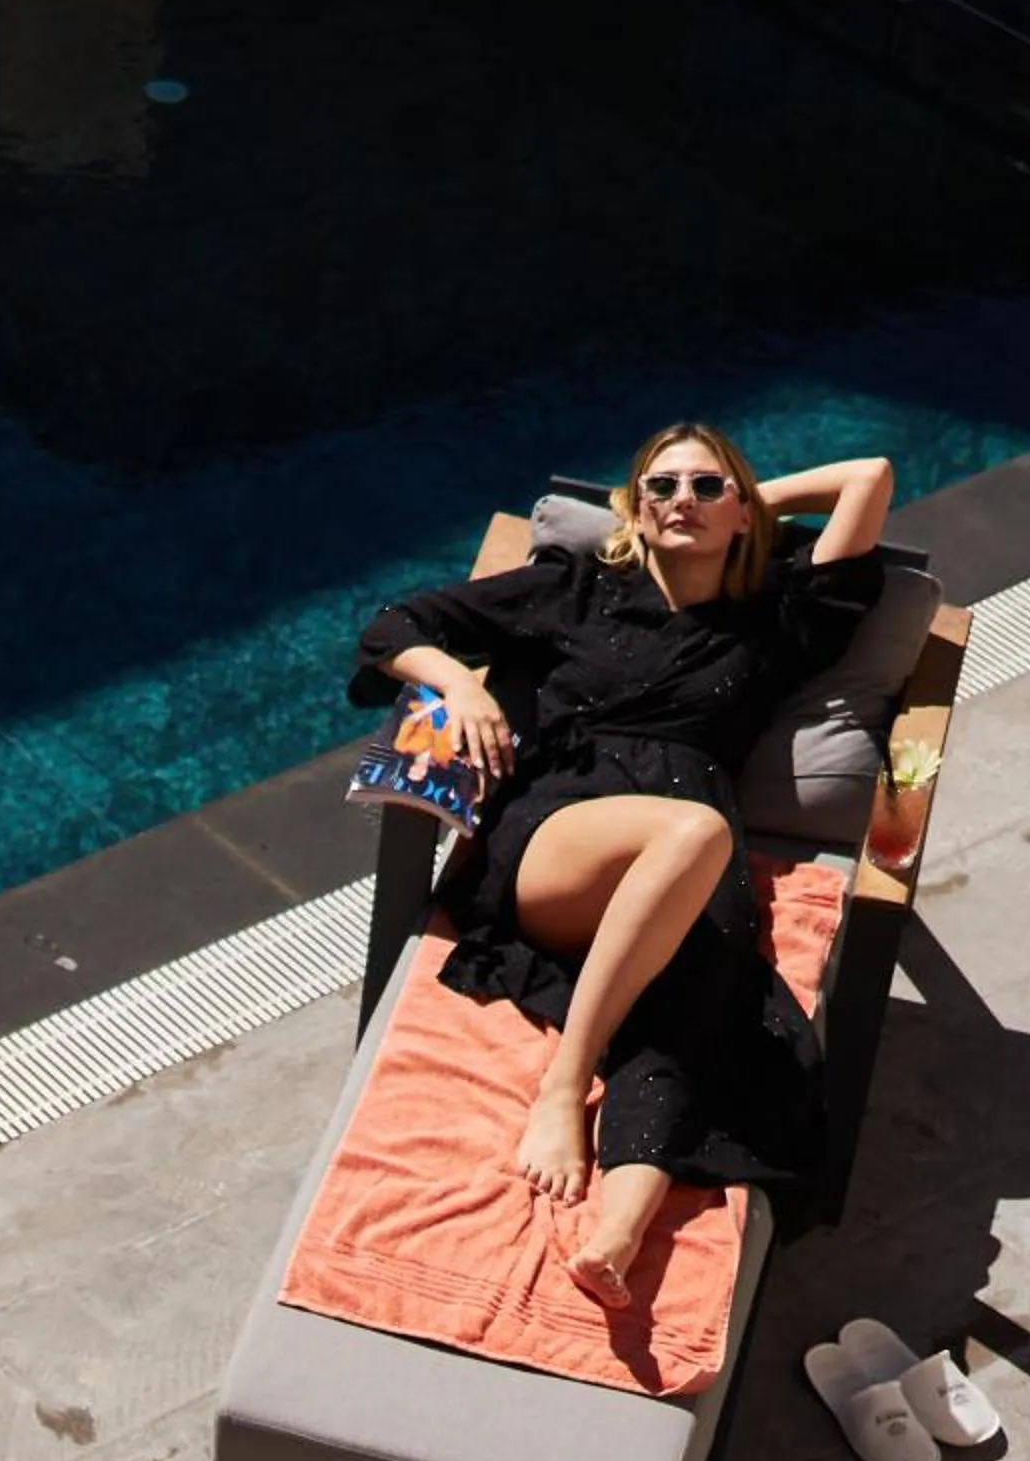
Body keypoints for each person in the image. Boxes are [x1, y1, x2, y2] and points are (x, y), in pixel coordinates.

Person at [352, 425, 894, 1309]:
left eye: (706, 487)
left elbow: (868, 475)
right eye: (661, 487)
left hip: (685, 861)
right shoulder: (578, 591)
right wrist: (464, 685)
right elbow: (394, 628)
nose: (682, 500)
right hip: (561, 834)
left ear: (744, 513)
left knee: (705, 1008)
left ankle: (620, 1231)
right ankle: (564, 1085)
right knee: (694, 839)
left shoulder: (778, 617)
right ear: (633, 512)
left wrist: (743, 505)